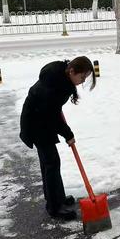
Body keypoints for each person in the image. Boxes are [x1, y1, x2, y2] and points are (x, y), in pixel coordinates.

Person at [20, 57, 96, 221]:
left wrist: (64, 128)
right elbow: (51, 116)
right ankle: (54, 208)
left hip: (41, 119)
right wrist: (68, 134)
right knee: (51, 163)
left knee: (50, 163)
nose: (81, 81)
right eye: (82, 77)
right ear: (72, 71)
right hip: (36, 123)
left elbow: (52, 110)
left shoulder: (61, 77)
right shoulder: (55, 86)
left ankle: (57, 198)